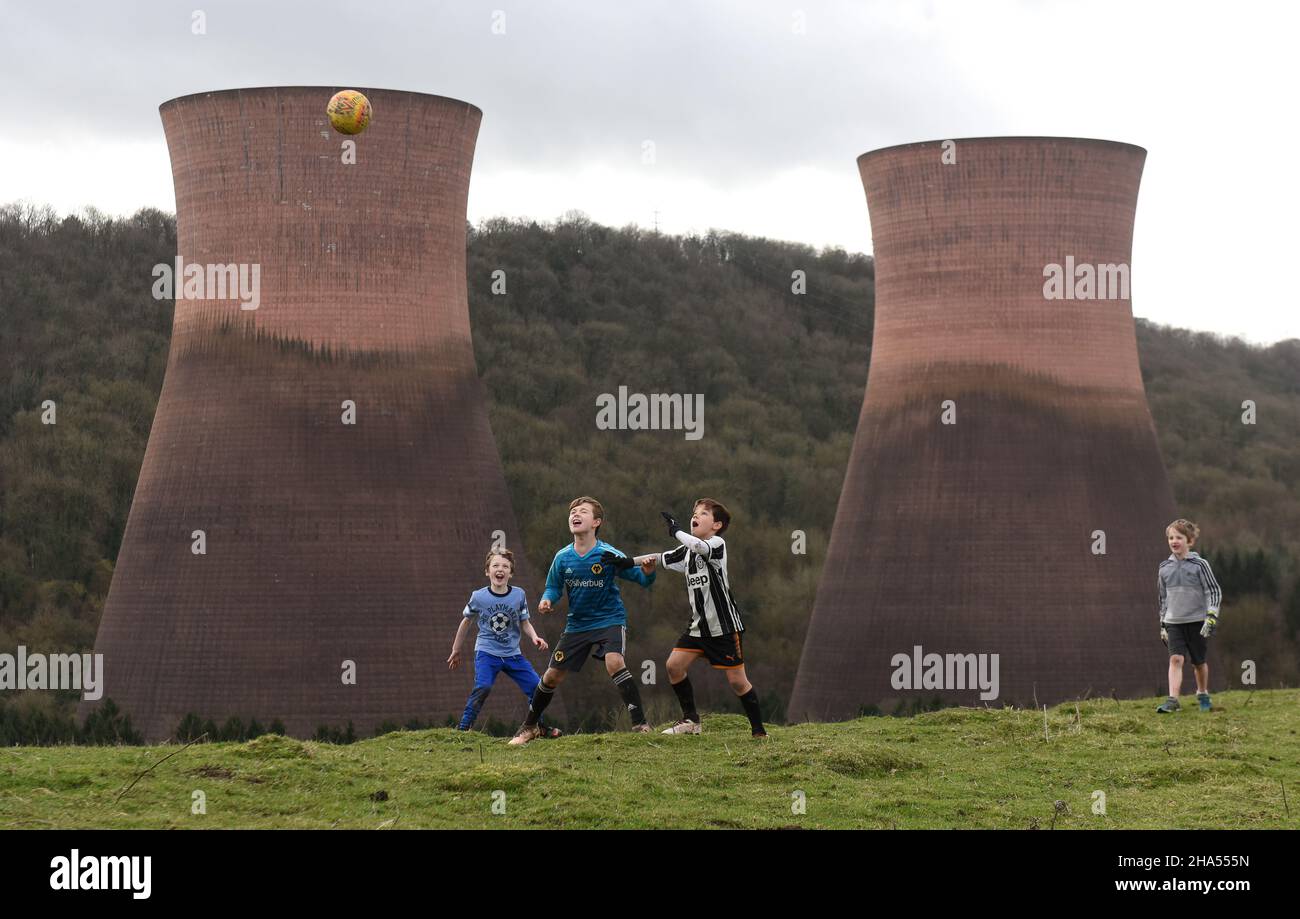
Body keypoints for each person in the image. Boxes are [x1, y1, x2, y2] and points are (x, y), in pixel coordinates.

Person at [507, 496, 656, 746]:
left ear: (596, 522)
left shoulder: (609, 554)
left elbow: (641, 579)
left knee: (614, 661)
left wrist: (649, 572)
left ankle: (640, 724)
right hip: (577, 626)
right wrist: (547, 600)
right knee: (552, 676)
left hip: (610, 620)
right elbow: (553, 587)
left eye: (583, 512)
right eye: (573, 512)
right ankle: (530, 727)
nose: (575, 515)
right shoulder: (563, 557)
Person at [650, 499, 767, 737]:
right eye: (695, 513)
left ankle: (759, 732)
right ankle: (691, 722)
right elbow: (659, 558)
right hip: (698, 628)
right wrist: (623, 562)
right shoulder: (686, 551)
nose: (696, 516)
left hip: (724, 628)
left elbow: (699, 546)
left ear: (716, 525)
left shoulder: (716, 544)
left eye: (703, 513)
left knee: (737, 682)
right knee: (673, 666)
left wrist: (676, 531)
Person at [448, 548, 559, 736]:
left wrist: (534, 637)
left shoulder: (519, 595)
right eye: (496, 565)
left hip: (512, 655)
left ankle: (538, 727)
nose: (500, 569)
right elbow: (466, 621)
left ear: (511, 572)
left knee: (536, 687)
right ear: (487, 571)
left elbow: (525, 622)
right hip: (486, 652)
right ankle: (463, 729)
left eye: (505, 566)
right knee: (483, 687)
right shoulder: (478, 597)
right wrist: (456, 650)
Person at [1156, 518, 1222, 713]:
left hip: (1197, 622)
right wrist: (1162, 624)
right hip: (1173, 622)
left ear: (1190, 541)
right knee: (1176, 659)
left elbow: (1214, 591)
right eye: (1170, 537)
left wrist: (1211, 615)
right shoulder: (1163, 568)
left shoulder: (1200, 565)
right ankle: (1173, 700)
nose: (1174, 541)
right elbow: (1162, 597)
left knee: (1198, 662)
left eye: (1179, 537)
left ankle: (1202, 693)